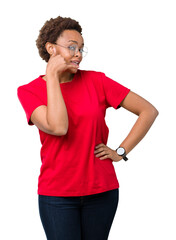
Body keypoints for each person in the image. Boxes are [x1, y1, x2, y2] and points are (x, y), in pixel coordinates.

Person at [17, 16, 159, 240]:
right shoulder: (29, 91)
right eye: (72, 47)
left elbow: (148, 111)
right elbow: (58, 127)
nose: (78, 54)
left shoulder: (97, 81)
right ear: (51, 48)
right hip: (57, 196)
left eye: (81, 48)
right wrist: (52, 77)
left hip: (102, 191)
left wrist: (120, 152)